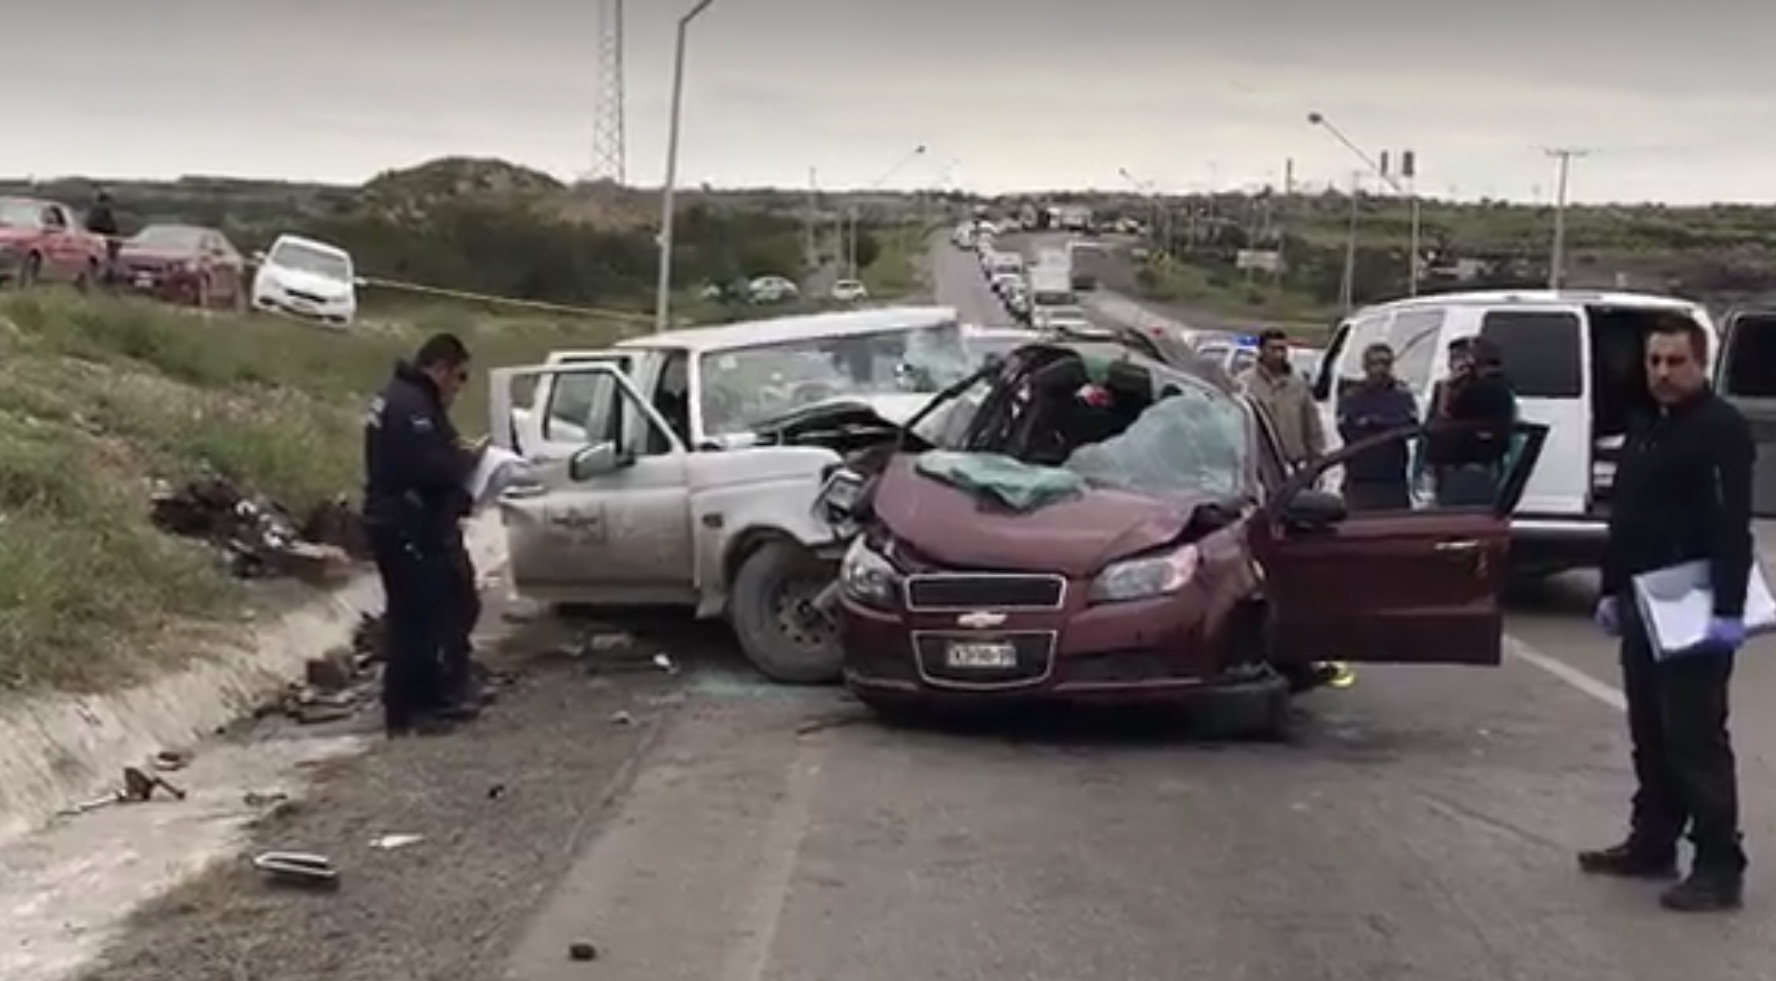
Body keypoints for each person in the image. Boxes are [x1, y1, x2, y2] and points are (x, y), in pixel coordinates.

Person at [1584, 314, 1756, 912]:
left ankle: (1718, 863)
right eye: (1654, 361)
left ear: (1700, 364)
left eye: (1674, 361)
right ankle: (1652, 842)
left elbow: (1732, 526)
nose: (1661, 372)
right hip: (1641, 603)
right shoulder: (1648, 427)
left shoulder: (1720, 429)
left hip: (1695, 606)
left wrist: (1728, 611)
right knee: (1650, 734)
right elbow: (1624, 516)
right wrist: (1610, 588)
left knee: (1695, 739)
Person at [361, 333, 486, 736]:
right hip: (404, 524)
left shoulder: (410, 398)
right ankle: (407, 711)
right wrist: (465, 462)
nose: (459, 388)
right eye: (460, 377)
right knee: (413, 620)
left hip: (411, 522)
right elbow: (427, 468)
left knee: (432, 612)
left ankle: (432, 698)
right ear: (441, 368)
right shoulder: (410, 406)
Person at [1425, 336, 1516, 506]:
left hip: (1468, 466)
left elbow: (1447, 415)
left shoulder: (1479, 388)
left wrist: (1451, 388)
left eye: (1465, 357)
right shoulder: (1501, 387)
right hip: (1458, 467)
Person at [1336, 342, 1419, 510]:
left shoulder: (1402, 396)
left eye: (1386, 364)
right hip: (1360, 478)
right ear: (1365, 366)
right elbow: (1348, 429)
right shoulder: (1352, 396)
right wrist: (1388, 424)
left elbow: (1411, 428)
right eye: (1375, 363)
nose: (1381, 369)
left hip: (1393, 479)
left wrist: (1376, 423)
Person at [1236, 328, 1324, 467]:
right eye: (1273, 349)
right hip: (1257, 464)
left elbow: (1312, 425)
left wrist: (1316, 458)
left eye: (1283, 349)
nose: (1279, 354)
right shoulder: (1244, 383)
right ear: (1261, 350)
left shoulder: (1298, 385)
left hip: (1292, 463)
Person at [84, 190, 120, 282]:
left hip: (90, 234)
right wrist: (114, 233)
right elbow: (109, 224)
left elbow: (88, 223)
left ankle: (90, 275)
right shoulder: (105, 209)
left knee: (91, 257)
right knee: (106, 256)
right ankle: (106, 276)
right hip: (102, 235)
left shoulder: (92, 209)